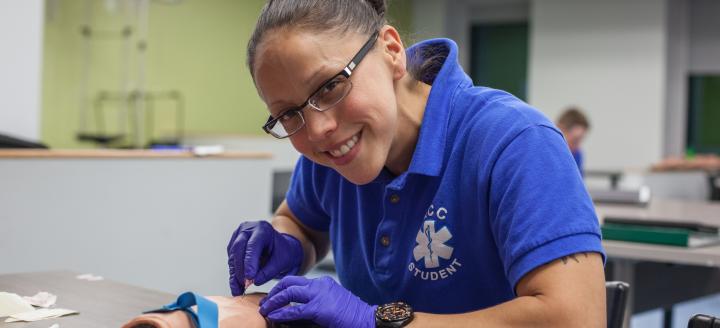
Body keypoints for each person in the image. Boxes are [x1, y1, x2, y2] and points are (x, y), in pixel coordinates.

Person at [227, 0, 606, 327]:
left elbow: (576, 318)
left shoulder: (515, 142)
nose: (319, 129)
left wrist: (376, 320)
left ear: (391, 50)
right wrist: (287, 240)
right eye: (289, 114)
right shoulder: (331, 155)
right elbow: (300, 222)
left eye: (330, 86)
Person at [556, 107, 591, 175]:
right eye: (575, 140)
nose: (578, 146)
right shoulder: (545, 153)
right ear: (560, 129)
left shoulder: (577, 154)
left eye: (581, 140)